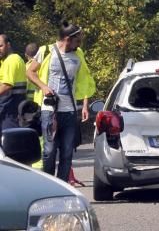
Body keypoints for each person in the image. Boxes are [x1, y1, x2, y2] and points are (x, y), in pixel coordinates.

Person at [26, 22, 96, 182]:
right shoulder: (46, 51)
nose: (80, 44)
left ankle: (63, 186)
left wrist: (85, 104)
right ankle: (49, 184)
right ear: (67, 39)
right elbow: (30, 72)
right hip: (49, 110)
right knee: (49, 151)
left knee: (67, 152)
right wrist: (43, 87)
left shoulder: (78, 55)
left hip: (70, 110)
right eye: (78, 40)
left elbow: (84, 80)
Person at [0, 34, 28, 130]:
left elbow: (6, 85)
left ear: (8, 45)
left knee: (9, 140)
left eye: (0, 46)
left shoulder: (11, 60)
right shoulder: (9, 60)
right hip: (12, 108)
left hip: (10, 109)